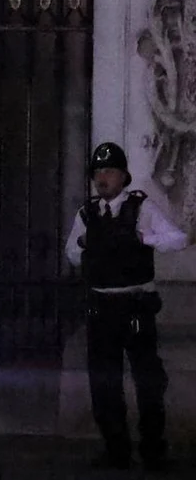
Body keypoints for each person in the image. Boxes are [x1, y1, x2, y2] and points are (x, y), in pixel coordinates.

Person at [64, 142, 187, 472]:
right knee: (104, 383)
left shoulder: (141, 208)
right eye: (98, 172)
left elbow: (178, 239)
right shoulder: (87, 213)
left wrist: (144, 238)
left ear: (123, 176)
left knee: (148, 381)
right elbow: (72, 255)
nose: (102, 178)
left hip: (135, 307)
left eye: (109, 171)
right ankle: (116, 451)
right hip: (101, 306)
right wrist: (83, 243)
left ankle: (153, 451)